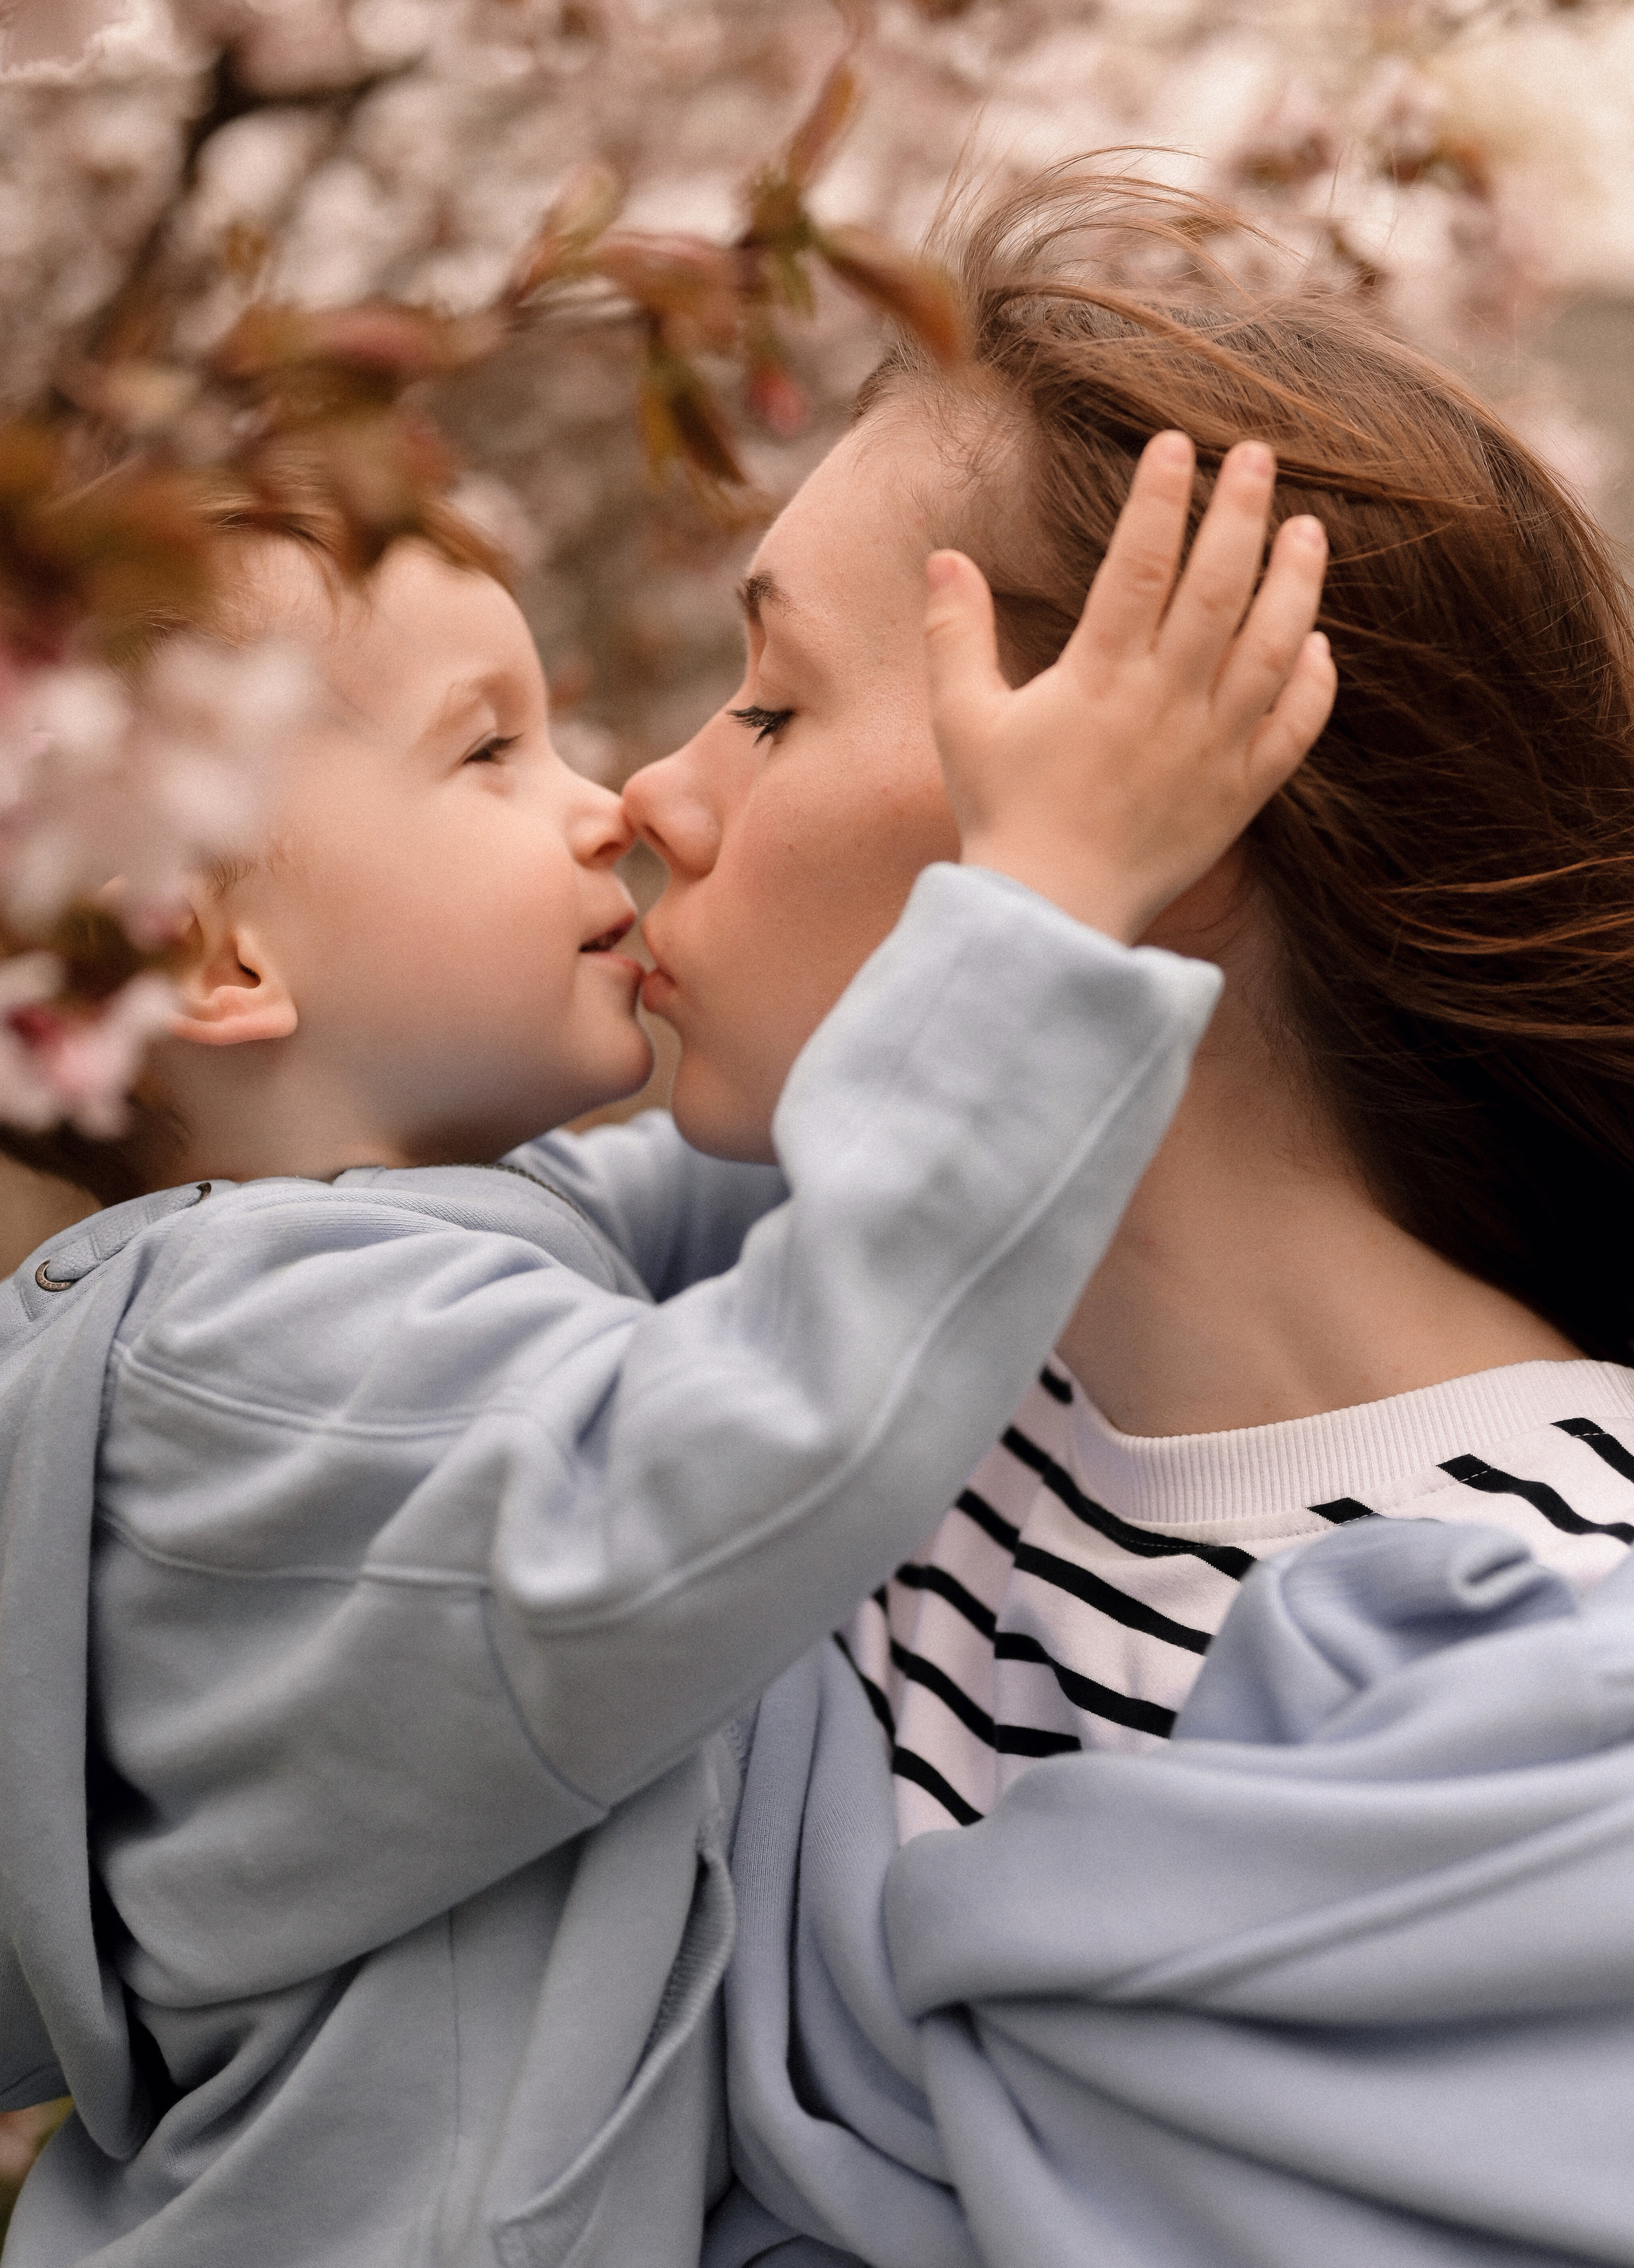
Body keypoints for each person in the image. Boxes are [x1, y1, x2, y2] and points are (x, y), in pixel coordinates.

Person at [0, 445, 1331, 2265]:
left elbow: (760, 1227)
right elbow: (778, 1423)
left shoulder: (402, 1259)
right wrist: (1042, 906)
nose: (603, 799)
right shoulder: (263, 1374)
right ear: (220, 950)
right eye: (487, 752)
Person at [609, 170, 1634, 2265]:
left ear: (1155, 818)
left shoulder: (1556, 1686)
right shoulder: (776, 1374)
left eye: (780, 706)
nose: (652, 796)